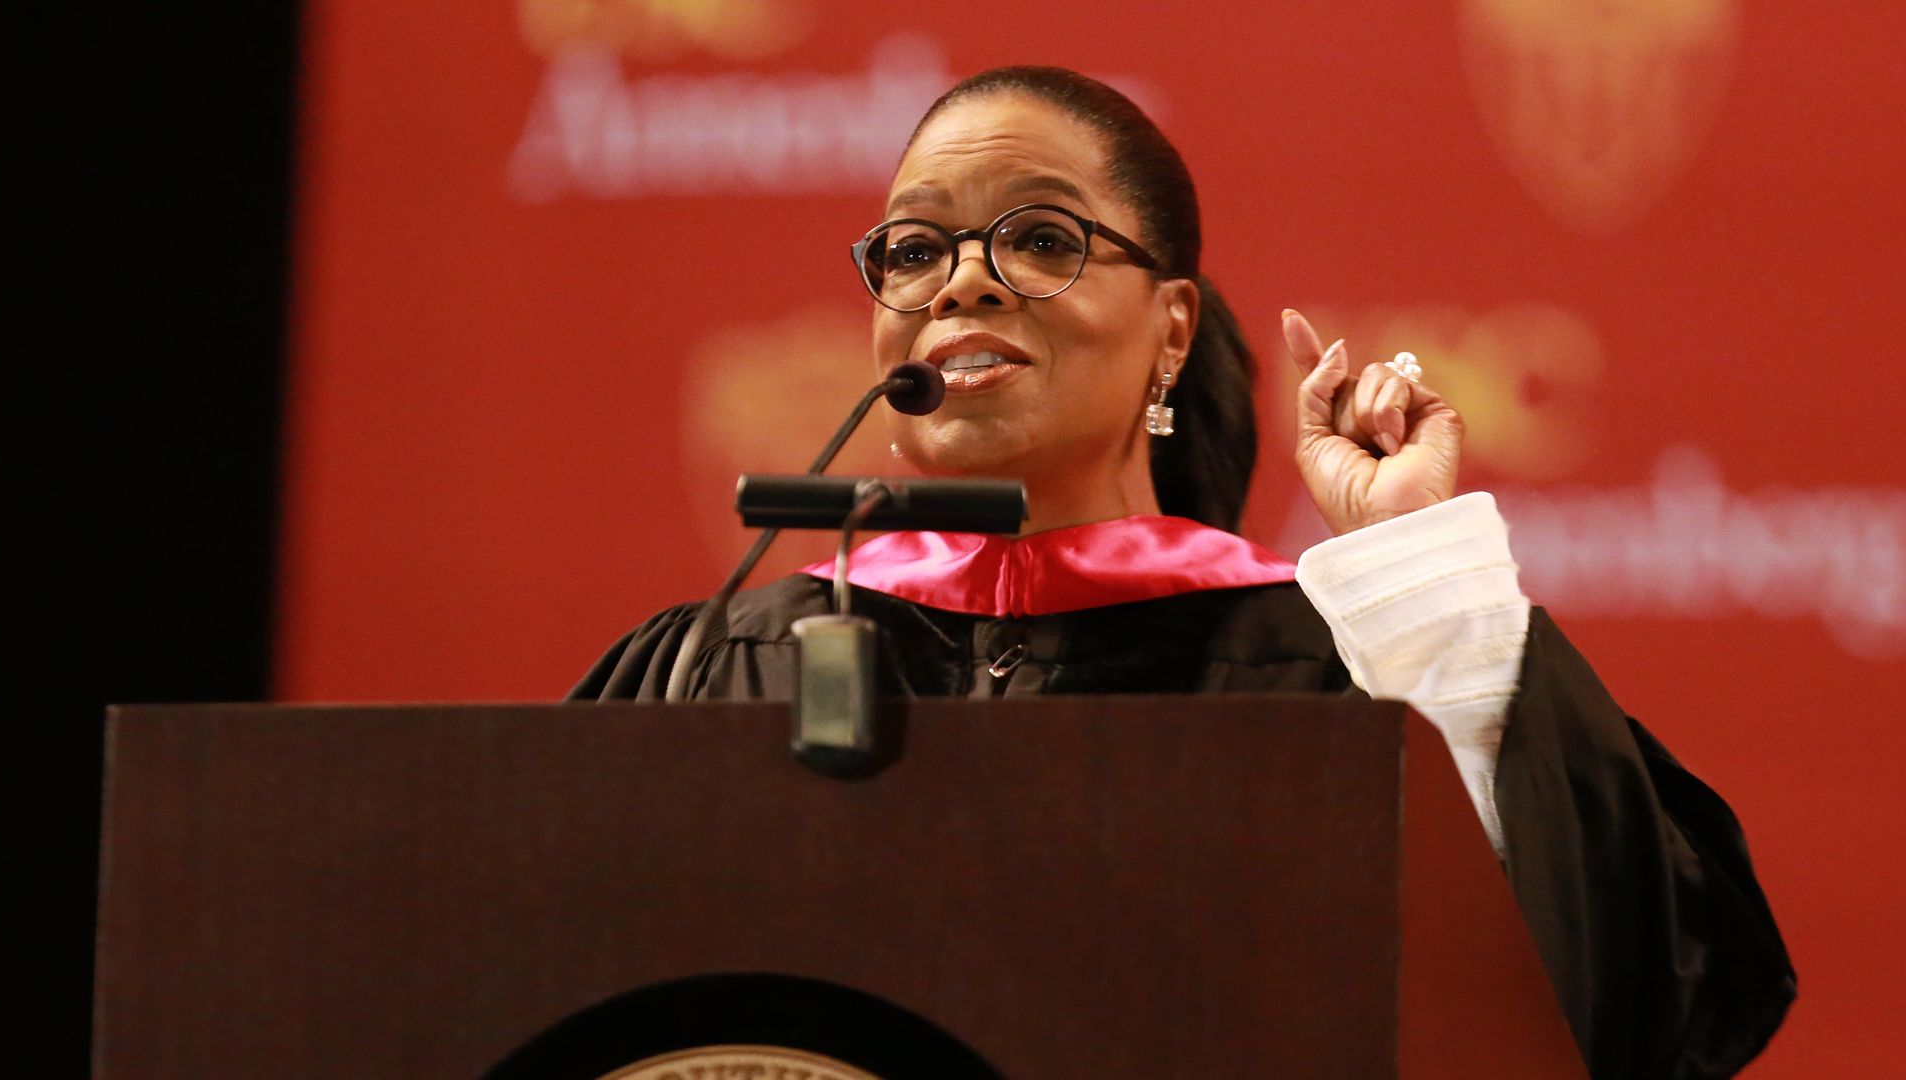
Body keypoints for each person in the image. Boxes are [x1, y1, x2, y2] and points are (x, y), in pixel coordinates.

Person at [574, 67, 1794, 1078]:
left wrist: (1415, 572)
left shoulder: (1327, 667)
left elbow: (1630, 990)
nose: (962, 278)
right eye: (911, 249)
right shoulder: (716, 665)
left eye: (1040, 236)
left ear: (1171, 329)